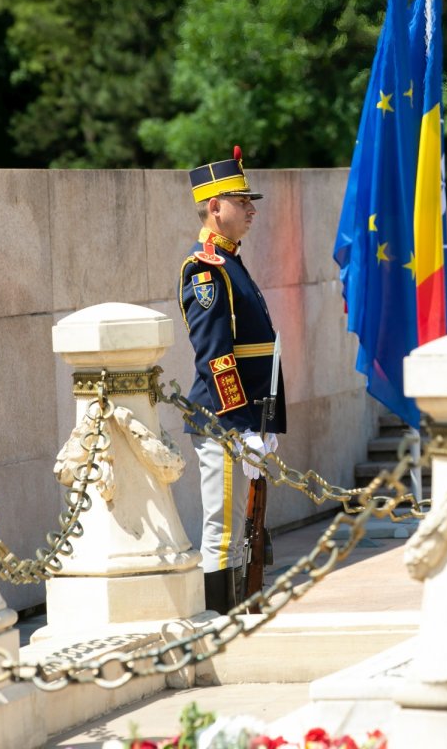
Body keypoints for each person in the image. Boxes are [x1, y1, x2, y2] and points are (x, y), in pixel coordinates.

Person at [178, 146, 286, 614]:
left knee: (241, 527)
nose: (251, 209)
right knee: (221, 529)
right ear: (215, 207)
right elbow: (216, 356)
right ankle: (218, 618)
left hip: (246, 420)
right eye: (242, 202)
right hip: (224, 420)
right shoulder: (205, 269)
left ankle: (235, 608)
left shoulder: (232, 262)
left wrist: (261, 424)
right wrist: (240, 425)